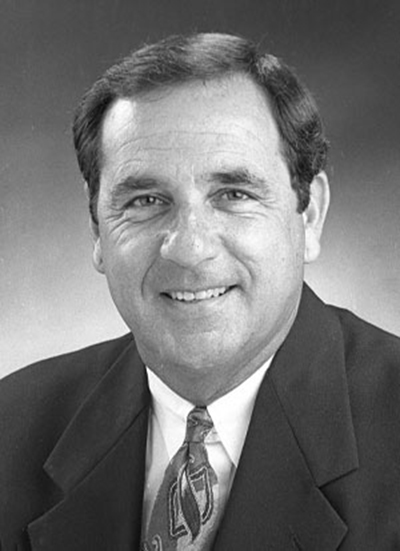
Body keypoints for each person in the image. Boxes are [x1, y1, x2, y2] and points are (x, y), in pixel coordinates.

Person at [1, 32, 399, 551]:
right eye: (145, 200)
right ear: (98, 230)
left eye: (233, 194)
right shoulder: (12, 426)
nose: (187, 249)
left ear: (311, 213)